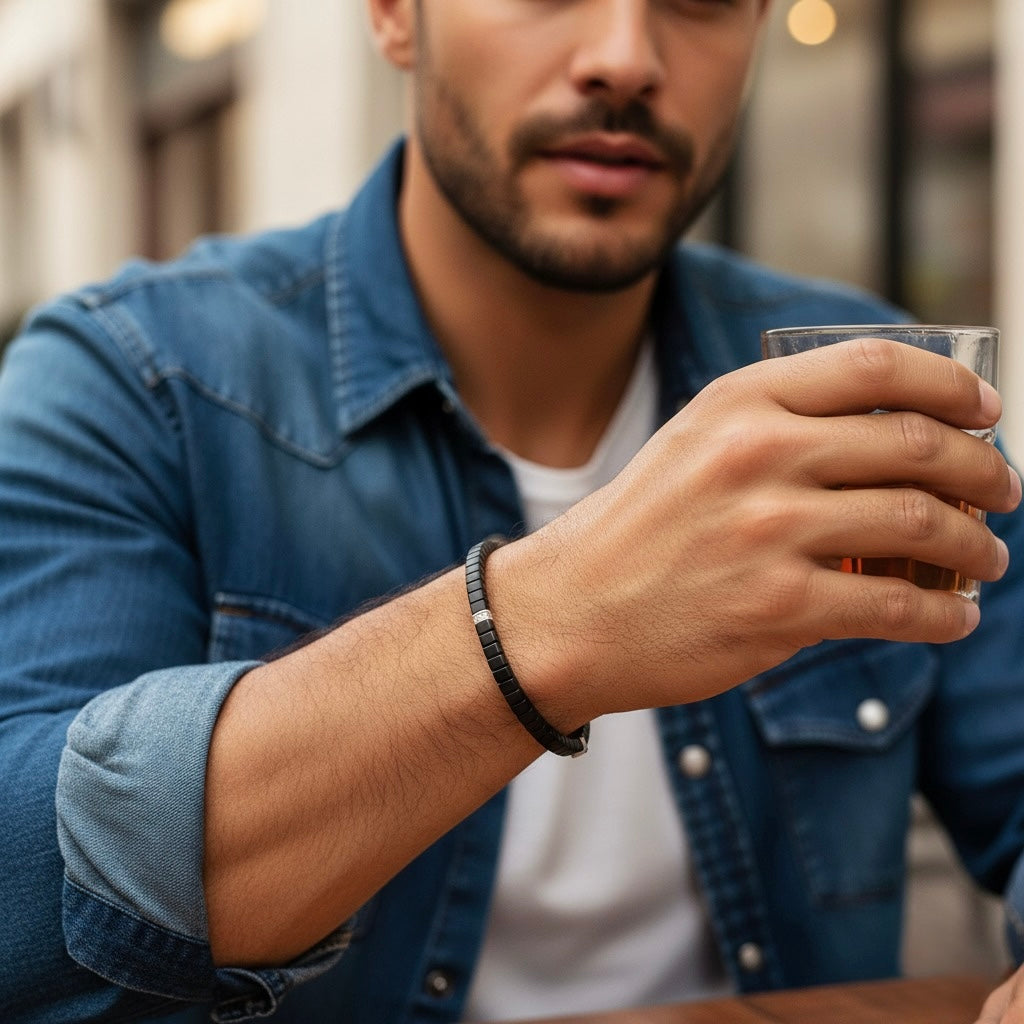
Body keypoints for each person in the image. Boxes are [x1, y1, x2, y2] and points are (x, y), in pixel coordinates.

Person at [2, 1, 1024, 1021]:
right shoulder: (138, 381)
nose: (624, 59)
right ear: (396, 17)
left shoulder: (865, 387)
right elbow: (24, 904)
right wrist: (551, 616)